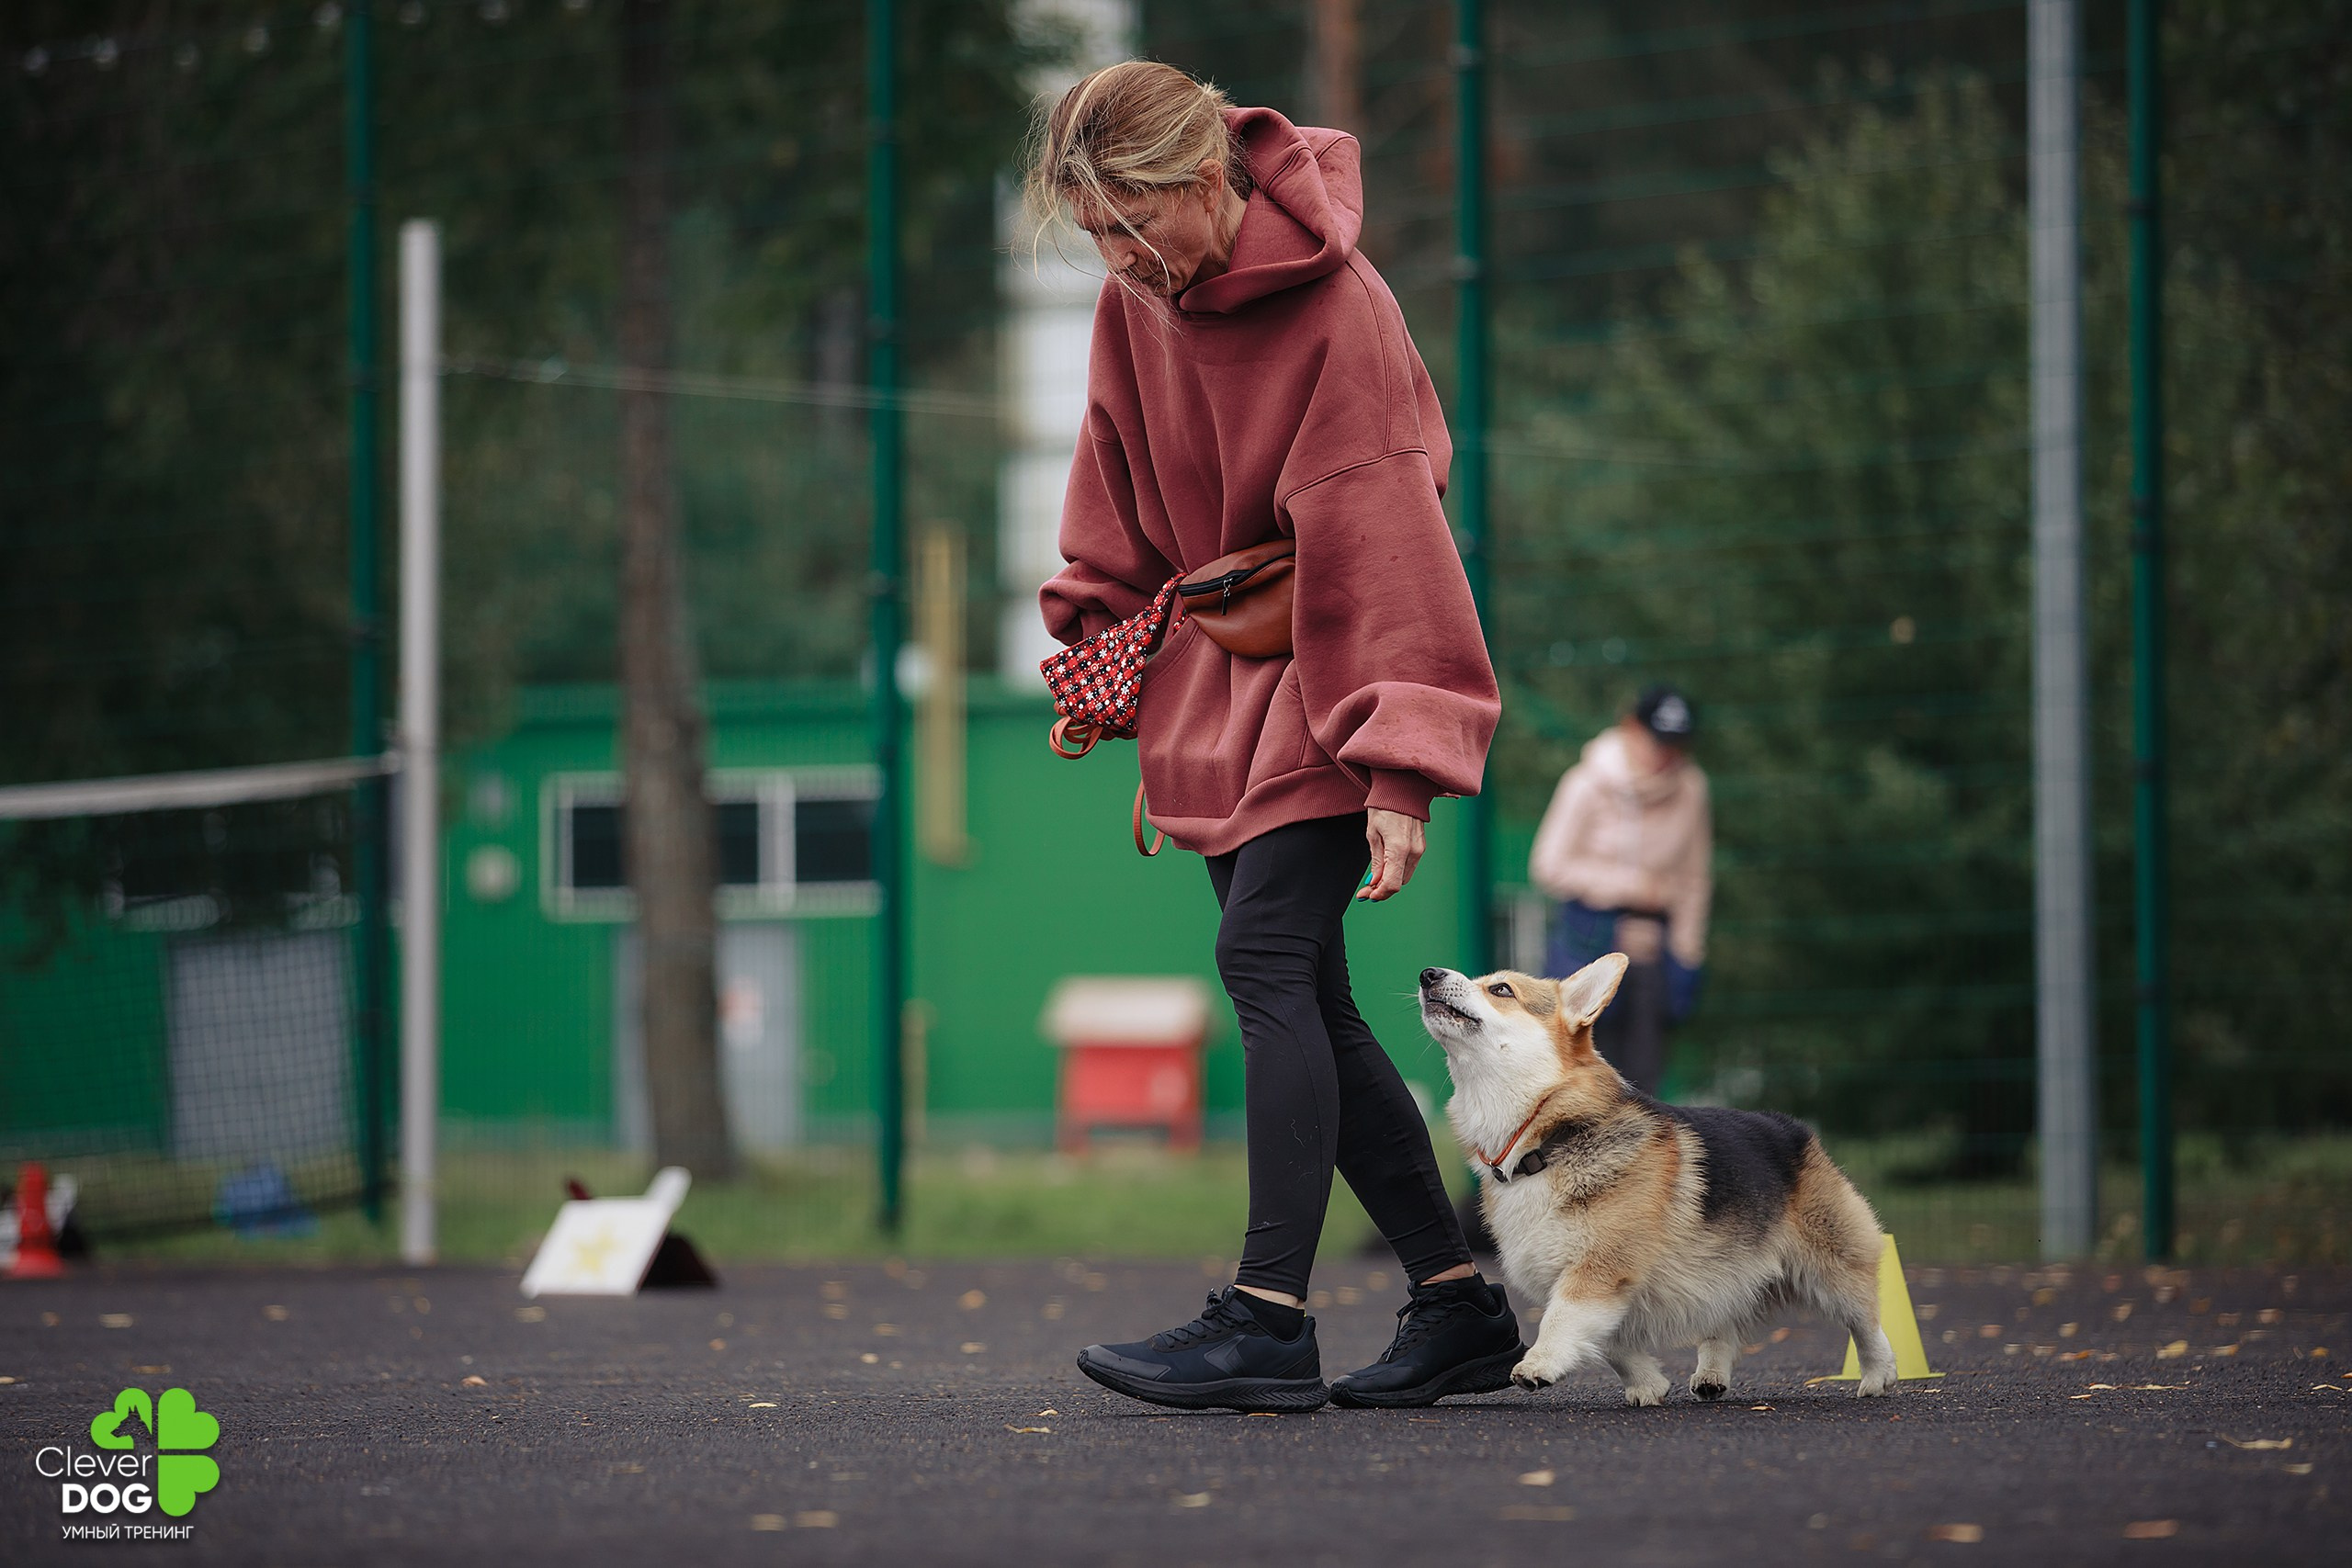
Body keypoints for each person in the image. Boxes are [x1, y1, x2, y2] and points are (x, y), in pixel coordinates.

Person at [1032, 61, 1521, 1414]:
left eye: (1136, 227)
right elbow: (1112, 485)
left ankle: (1265, 1317)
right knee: (1310, 992)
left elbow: (1387, 541)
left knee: (1260, 960)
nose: (1121, 260)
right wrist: (1114, 680)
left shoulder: (1340, 308)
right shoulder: (1138, 305)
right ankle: (1459, 1300)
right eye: (1095, 236)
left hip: (1327, 667)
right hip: (1217, 673)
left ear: (1205, 183)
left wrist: (1400, 762)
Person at [1526, 683, 1713, 1095]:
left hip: (1654, 949)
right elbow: (1548, 865)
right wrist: (1631, 888)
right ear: (1631, 728)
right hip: (1589, 937)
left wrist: (1686, 955)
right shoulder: (1586, 783)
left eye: (1676, 745)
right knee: (1583, 1072)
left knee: (1645, 1080)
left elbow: (1694, 878)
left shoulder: (1692, 788)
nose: (1666, 756)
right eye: (1657, 742)